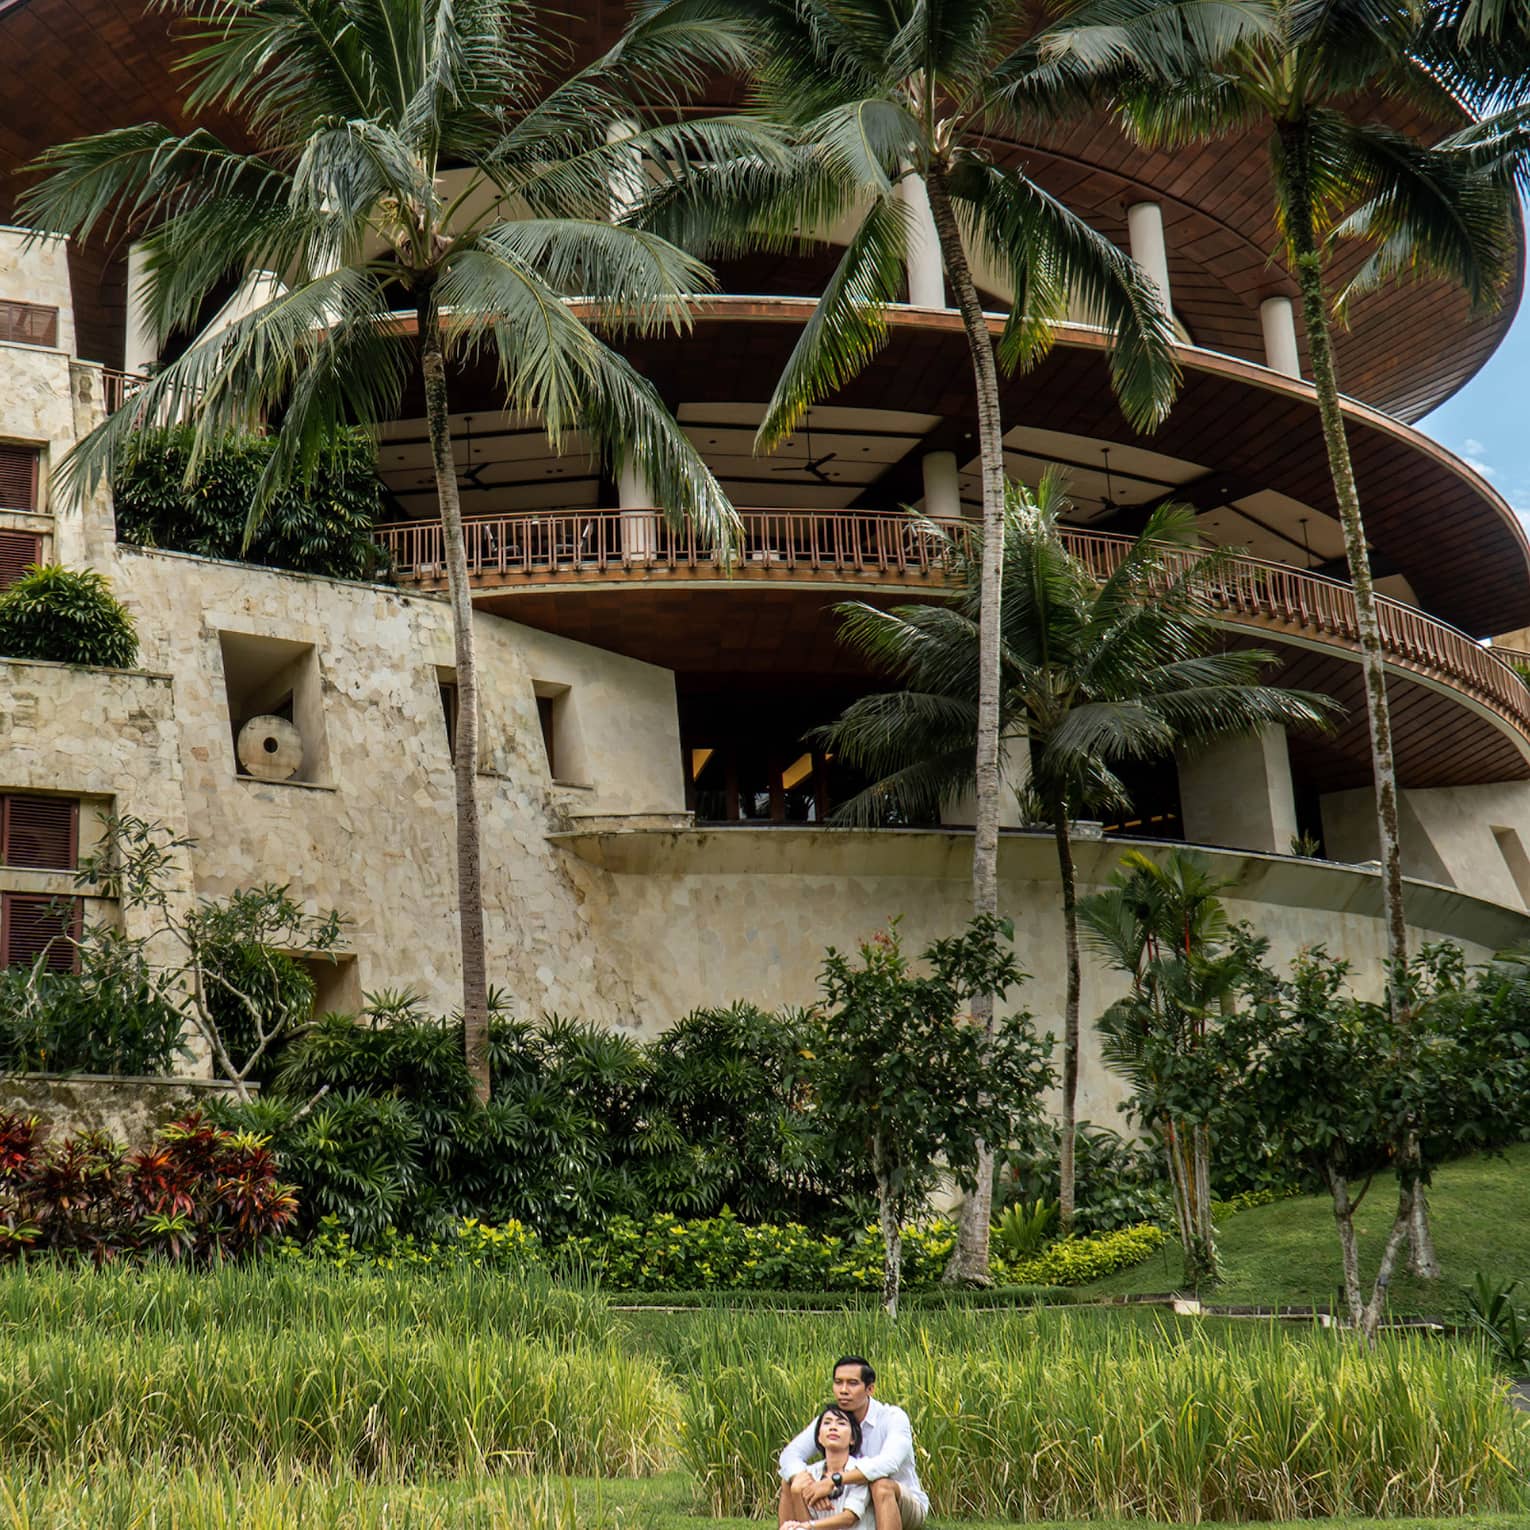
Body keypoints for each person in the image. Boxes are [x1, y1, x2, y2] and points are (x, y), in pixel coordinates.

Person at [779, 1356, 929, 1530]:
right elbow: (790, 1454)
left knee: (880, 1484)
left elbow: (889, 1463)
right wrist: (805, 1481)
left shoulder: (893, 1417)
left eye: (852, 1383)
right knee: (790, 1480)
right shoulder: (832, 1419)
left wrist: (833, 1481)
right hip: (847, 1501)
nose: (843, 1390)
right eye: (838, 1382)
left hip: (898, 1502)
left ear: (870, 1389)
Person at [779, 1405, 872, 1530]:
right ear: (819, 1438)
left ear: (853, 1439)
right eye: (827, 1423)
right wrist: (796, 1493)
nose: (833, 1427)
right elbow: (805, 1524)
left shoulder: (859, 1470)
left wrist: (810, 1525)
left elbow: (849, 1518)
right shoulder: (810, 1474)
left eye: (841, 1423)